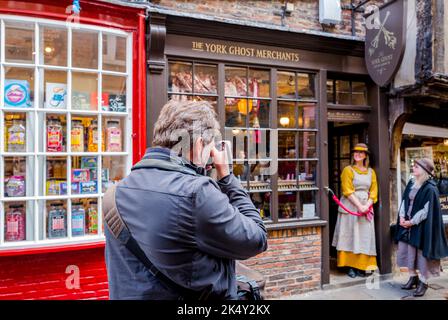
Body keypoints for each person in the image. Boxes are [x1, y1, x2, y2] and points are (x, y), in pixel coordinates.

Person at [104, 100, 268, 300]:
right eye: (209, 147)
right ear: (199, 144)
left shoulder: (116, 192)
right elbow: (256, 239)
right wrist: (227, 177)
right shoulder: (196, 193)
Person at [395, 158, 448, 297]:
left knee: (421, 255)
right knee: (407, 251)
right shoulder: (412, 183)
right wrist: (401, 217)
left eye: (417, 166)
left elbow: (426, 210)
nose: (414, 168)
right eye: (414, 166)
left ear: (424, 170)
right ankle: (413, 277)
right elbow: (404, 200)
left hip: (421, 226)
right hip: (406, 224)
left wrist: (411, 221)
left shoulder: (430, 188)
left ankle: (423, 282)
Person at [332, 143, 378, 278]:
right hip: (351, 206)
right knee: (351, 236)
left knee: (364, 236)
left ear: (365, 156)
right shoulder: (348, 170)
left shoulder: (371, 172)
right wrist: (360, 206)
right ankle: (350, 266)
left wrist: (367, 205)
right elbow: (347, 190)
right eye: (355, 152)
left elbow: (374, 191)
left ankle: (363, 266)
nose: (357, 154)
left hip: (366, 207)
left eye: (361, 152)